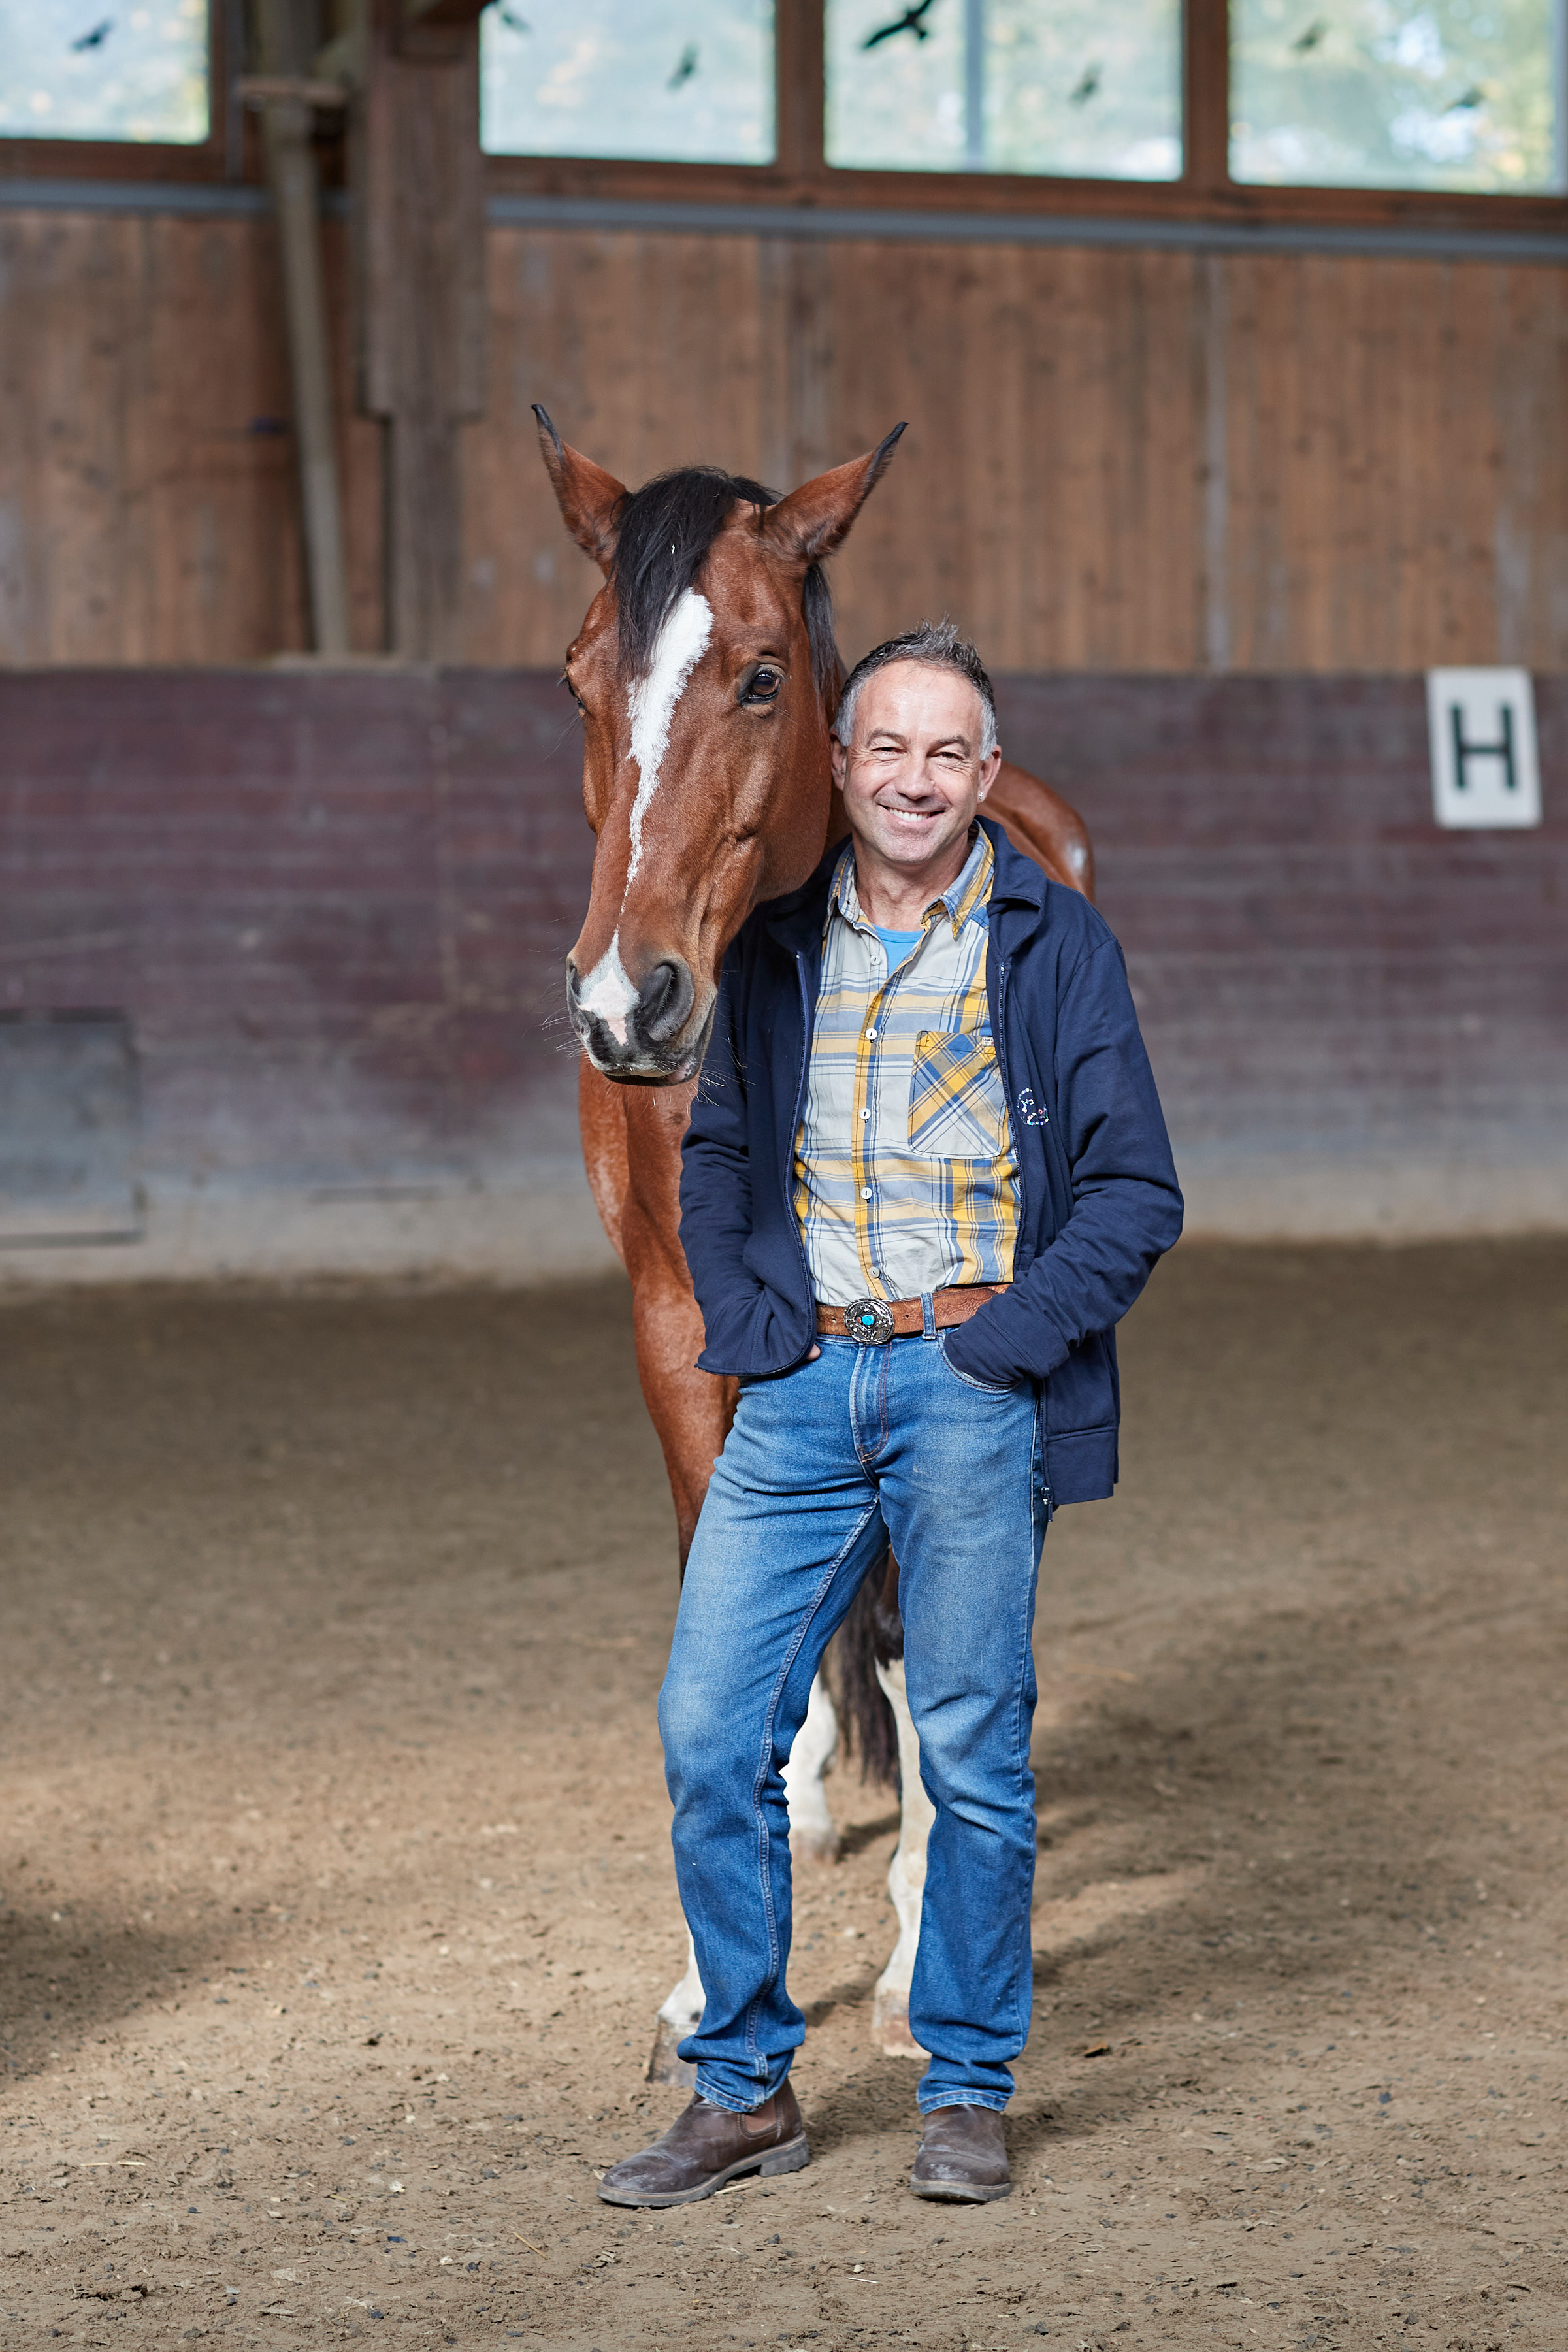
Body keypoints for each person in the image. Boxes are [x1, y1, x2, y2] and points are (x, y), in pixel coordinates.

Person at [598, 619, 1183, 2210]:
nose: (916, 779)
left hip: (965, 1385)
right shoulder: (777, 947)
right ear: (841, 766)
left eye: (949, 753)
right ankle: (744, 2088)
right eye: (888, 749)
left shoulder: (1055, 942)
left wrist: (1006, 1348)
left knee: (973, 1750)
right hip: (799, 1393)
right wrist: (753, 1331)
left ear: (986, 775)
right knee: (711, 1732)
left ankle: (969, 2086)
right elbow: (718, 1156)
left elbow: (1136, 1192)